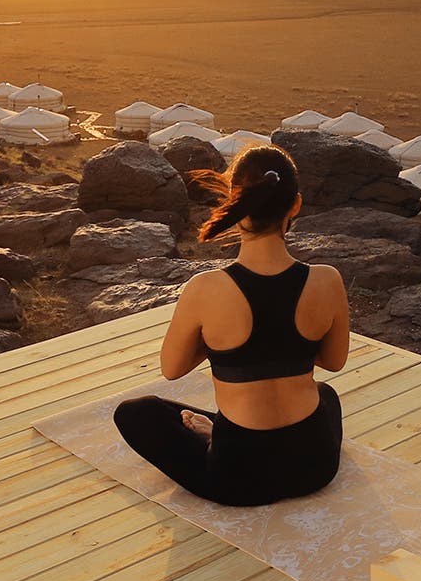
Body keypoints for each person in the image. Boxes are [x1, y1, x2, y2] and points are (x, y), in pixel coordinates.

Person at [112, 144, 350, 506]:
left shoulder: (206, 289)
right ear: (295, 205)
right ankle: (219, 428)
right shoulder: (327, 280)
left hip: (240, 477)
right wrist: (282, 343)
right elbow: (333, 361)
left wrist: (222, 343)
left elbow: (172, 369)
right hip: (316, 463)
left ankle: (219, 431)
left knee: (135, 413)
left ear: (233, 202)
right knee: (326, 395)